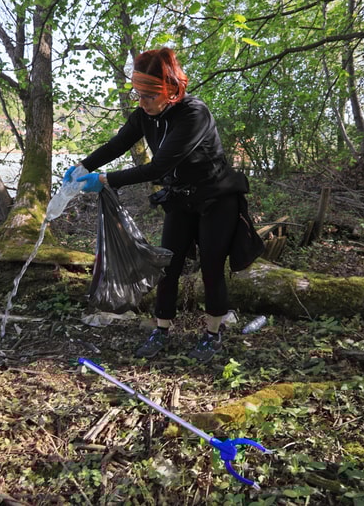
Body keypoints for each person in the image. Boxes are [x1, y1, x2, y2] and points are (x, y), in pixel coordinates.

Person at [62, 47, 262, 363]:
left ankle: (213, 334)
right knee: (167, 265)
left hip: (217, 198)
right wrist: (83, 166)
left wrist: (104, 180)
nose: (141, 102)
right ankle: (161, 329)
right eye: (137, 95)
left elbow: (157, 167)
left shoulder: (194, 113)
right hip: (180, 197)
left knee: (211, 267)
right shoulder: (144, 115)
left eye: (148, 96)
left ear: (170, 91)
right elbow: (116, 144)